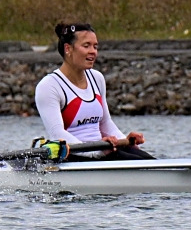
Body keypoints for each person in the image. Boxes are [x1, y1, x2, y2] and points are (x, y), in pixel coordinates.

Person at [35, 22, 152, 161]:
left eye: (95, 46)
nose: (93, 51)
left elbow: (106, 123)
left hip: (100, 151)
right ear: (68, 49)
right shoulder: (49, 86)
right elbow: (57, 134)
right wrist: (97, 152)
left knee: (149, 161)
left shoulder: (97, 78)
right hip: (74, 155)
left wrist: (125, 141)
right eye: (86, 46)